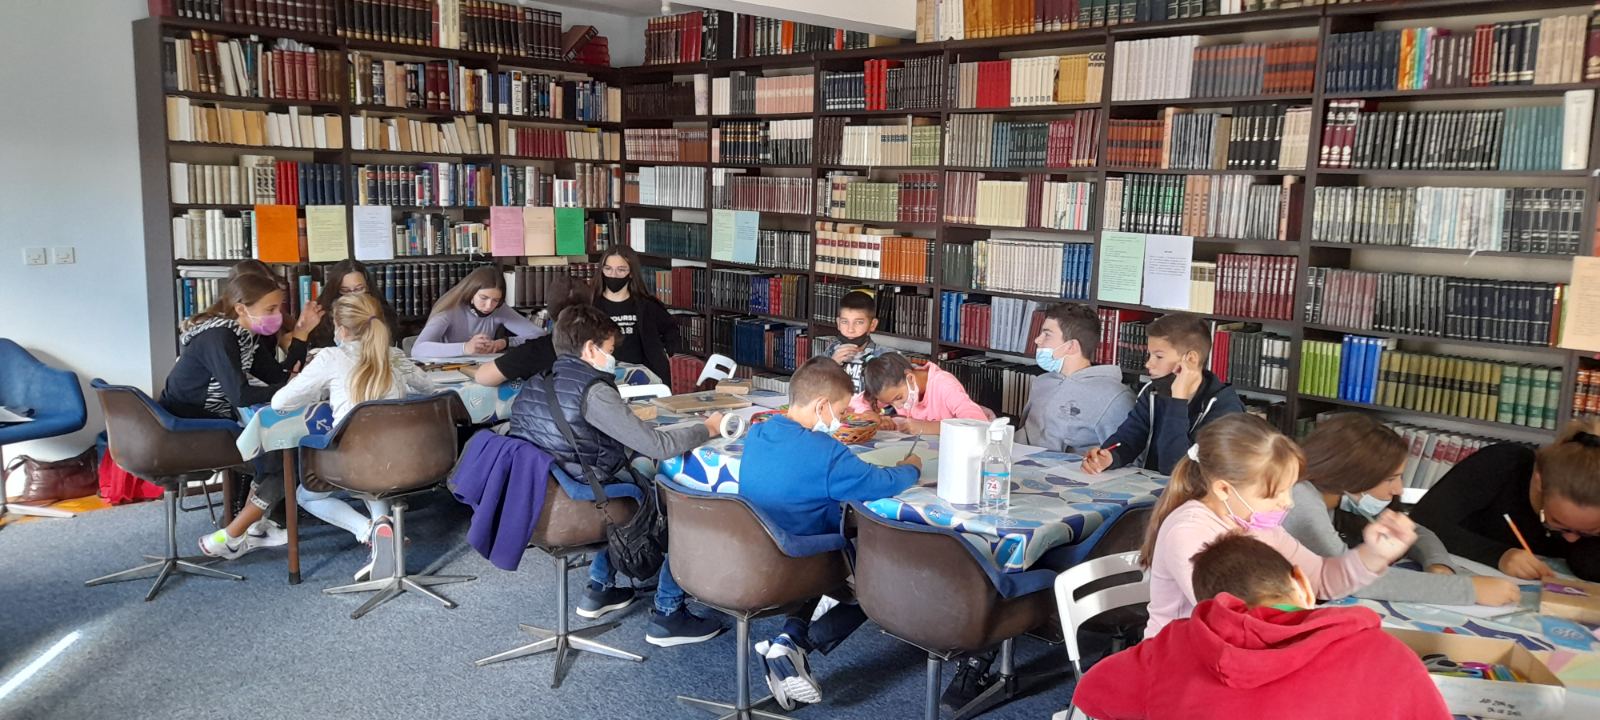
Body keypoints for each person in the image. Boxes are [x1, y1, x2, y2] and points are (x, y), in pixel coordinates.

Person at [507, 304, 725, 646]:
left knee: (638, 469)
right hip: (583, 503)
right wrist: (707, 428)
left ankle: (599, 587)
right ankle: (669, 613)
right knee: (680, 498)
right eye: (609, 350)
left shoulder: (538, 382)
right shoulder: (593, 391)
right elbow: (657, 445)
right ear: (590, 349)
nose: (613, 358)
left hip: (543, 501)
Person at [1073, 534, 1451, 720]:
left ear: (1211, 605)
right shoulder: (1385, 653)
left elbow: (1091, 691)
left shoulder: (1173, 647)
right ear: (1301, 583)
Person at [738, 357, 922, 710]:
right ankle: (799, 644)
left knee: (831, 544)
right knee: (878, 582)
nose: (841, 418)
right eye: (839, 411)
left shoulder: (759, 432)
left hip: (755, 552)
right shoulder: (826, 452)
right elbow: (881, 483)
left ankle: (788, 642)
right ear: (822, 405)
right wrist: (911, 468)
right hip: (803, 557)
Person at [1140, 413, 1417, 639]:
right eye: (1274, 494)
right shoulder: (1188, 532)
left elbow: (1320, 579)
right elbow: (1233, 621)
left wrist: (1374, 555)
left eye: (1289, 489)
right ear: (1224, 489)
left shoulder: (1257, 526)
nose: (1288, 502)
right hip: (1179, 662)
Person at [268, 293, 438, 581]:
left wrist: (315, 388)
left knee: (306, 496)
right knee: (374, 472)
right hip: (405, 459)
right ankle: (383, 532)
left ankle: (367, 530)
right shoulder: (395, 356)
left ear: (342, 330)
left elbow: (279, 403)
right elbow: (429, 388)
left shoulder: (330, 358)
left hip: (353, 464)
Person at [1283, 414, 1521, 606]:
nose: (1398, 489)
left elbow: (1416, 532)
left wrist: (1438, 564)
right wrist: (1469, 590)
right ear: (1351, 474)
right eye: (1390, 479)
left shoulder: (1344, 498)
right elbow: (1352, 578)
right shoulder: (1302, 500)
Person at [161, 273, 297, 560]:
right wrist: (292, 388)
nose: (277, 315)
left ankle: (249, 529)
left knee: (281, 451)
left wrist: (302, 344)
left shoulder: (247, 337)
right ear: (241, 309)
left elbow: (276, 376)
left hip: (213, 421)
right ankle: (232, 535)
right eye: (270, 309)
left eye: (279, 307)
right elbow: (240, 395)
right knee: (285, 457)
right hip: (189, 428)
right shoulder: (218, 337)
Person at [1411, 418, 1600, 581]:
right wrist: (1498, 555)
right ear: (1539, 482)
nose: (1571, 539)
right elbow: (1422, 520)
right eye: (1558, 524)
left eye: (1587, 532)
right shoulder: (1503, 465)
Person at [1083, 313, 1244, 476]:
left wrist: (1178, 401)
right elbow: (1130, 437)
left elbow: (1175, 469)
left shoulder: (1226, 409)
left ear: (1190, 359)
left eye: (1159, 356)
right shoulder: (1153, 391)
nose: (1148, 364)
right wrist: (1110, 457)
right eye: (1149, 355)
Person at [1019, 303, 1135, 453]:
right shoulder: (1042, 382)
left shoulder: (1115, 397)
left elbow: (1125, 454)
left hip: (1067, 466)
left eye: (1047, 335)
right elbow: (1024, 435)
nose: (1037, 340)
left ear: (1071, 346)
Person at [475, 273, 590, 387]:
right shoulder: (599, 343)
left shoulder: (535, 350)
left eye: (495, 300)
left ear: (549, 310)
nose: (489, 305)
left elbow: (483, 377)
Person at [411, 266, 545, 360]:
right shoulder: (449, 310)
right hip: (449, 370)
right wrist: (465, 348)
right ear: (471, 293)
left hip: (483, 367)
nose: (489, 306)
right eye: (483, 298)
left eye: (495, 300)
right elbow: (417, 350)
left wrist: (503, 343)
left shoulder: (499, 309)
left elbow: (539, 334)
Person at [591, 246, 678, 385]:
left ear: (631, 273)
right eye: (608, 269)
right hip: (603, 376)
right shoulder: (591, 306)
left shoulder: (647, 305)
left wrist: (665, 352)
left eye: (621, 270)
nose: (613, 275)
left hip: (646, 377)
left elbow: (671, 328)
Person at [857, 353, 989, 434]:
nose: (898, 406)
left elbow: (978, 423)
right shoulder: (893, 389)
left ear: (910, 378)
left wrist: (928, 427)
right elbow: (857, 401)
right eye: (890, 403)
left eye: (898, 398)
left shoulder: (944, 385)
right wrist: (873, 416)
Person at [307, 259, 399, 349]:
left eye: (359, 289)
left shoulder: (383, 313)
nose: (352, 295)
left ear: (368, 288)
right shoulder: (322, 317)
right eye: (345, 290)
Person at [810, 290, 884, 395]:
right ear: (838, 323)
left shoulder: (882, 356)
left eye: (859, 322)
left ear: (872, 325)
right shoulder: (830, 351)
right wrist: (832, 365)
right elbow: (812, 388)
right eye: (845, 322)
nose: (850, 329)